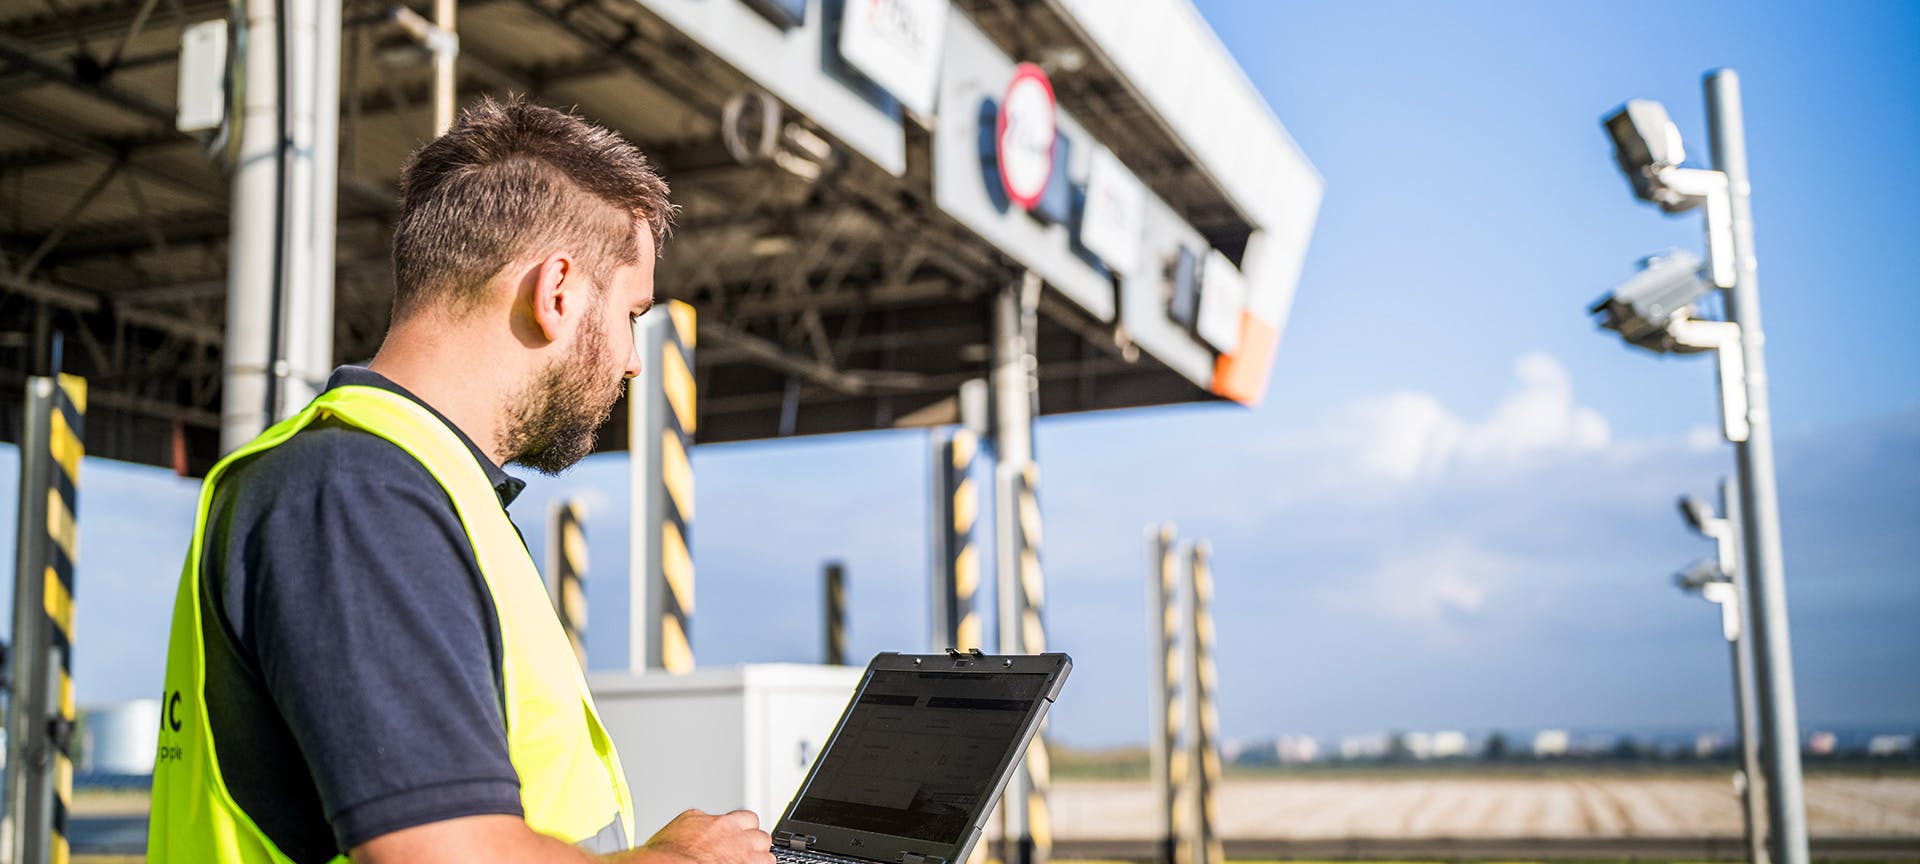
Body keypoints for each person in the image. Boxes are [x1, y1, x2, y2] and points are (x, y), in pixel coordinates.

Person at [148, 97, 772, 864]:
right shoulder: (357, 493)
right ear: (558, 293)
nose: (633, 360)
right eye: (632, 314)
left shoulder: (414, 488)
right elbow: (439, 852)